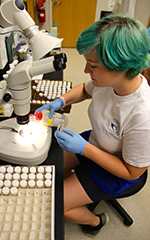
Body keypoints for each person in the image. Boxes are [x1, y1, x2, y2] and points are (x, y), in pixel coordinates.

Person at [35, 15, 150, 237]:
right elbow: (85, 89)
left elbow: (131, 172)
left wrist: (84, 149)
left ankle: (96, 221)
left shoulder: (143, 115)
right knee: (49, 161)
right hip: (97, 140)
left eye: (93, 65)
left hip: (117, 170)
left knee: (55, 203)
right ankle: (74, 184)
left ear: (121, 67)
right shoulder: (108, 82)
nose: (86, 70)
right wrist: (61, 101)